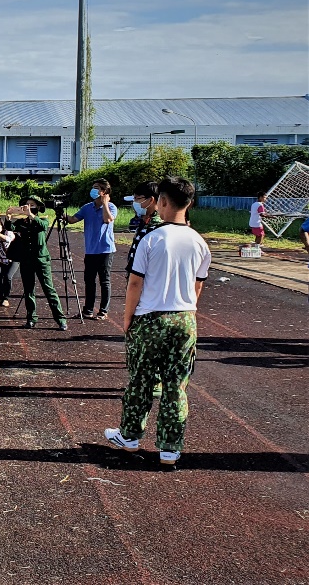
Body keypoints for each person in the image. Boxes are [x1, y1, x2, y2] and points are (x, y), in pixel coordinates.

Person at [104, 176, 211, 467]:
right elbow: (197, 287)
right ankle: (170, 448)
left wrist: (127, 319)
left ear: (162, 201)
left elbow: (135, 284)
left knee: (141, 380)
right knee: (176, 385)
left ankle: (129, 436)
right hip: (184, 319)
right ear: (189, 203)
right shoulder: (200, 242)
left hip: (150, 319)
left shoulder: (152, 238)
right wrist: (186, 313)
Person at [11, 195, 68, 330]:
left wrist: (30, 214)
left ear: (38, 207)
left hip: (41, 260)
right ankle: (31, 318)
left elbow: (43, 226)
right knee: (28, 290)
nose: (28, 207)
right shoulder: (21, 222)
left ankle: (60, 319)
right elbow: (10, 227)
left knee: (49, 289)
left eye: (32, 205)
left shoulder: (42, 220)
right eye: (26, 204)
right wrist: (9, 216)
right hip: (26, 260)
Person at [67, 179, 117, 320]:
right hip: (90, 250)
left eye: (97, 188)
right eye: (93, 187)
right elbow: (73, 220)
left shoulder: (111, 207)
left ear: (104, 192)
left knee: (104, 280)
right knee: (89, 280)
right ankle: (88, 310)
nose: (93, 190)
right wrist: (62, 213)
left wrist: (105, 203)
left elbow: (108, 220)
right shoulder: (87, 207)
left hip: (106, 249)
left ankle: (103, 310)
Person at [124, 181, 164, 277]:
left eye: (137, 199)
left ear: (151, 200)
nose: (134, 203)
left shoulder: (156, 224)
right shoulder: (144, 220)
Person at [0, 217, 17, 306]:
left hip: (12, 259)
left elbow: (7, 239)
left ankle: (6, 298)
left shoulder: (8, 233)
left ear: (2, 226)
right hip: (0, 259)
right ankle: (0, 297)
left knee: (7, 277)